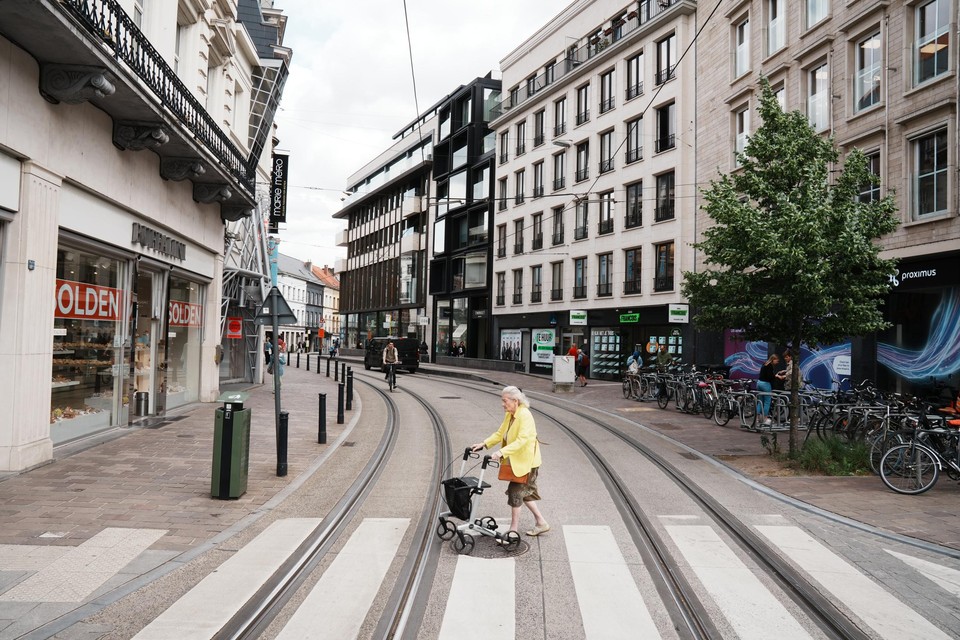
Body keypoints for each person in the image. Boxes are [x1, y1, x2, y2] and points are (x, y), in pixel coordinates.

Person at [471, 386, 549, 537]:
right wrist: (484, 444)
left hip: (527, 463)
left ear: (515, 401)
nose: (502, 404)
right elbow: (500, 433)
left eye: (504, 400)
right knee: (525, 493)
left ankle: (513, 529)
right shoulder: (511, 414)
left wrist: (501, 452)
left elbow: (522, 440)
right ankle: (541, 522)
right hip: (517, 461)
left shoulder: (525, 415)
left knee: (515, 492)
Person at [757, 353, 780, 424]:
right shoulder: (770, 366)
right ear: (773, 359)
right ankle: (765, 419)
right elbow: (770, 377)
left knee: (760, 401)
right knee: (767, 402)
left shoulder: (764, 364)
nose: (777, 362)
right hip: (765, 384)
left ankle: (757, 419)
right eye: (777, 361)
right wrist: (776, 376)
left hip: (759, 383)